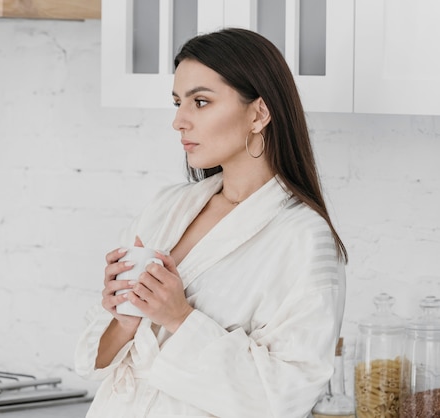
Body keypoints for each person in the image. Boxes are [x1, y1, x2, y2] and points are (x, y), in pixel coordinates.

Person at [75, 27, 347, 418]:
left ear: (259, 113)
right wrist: (124, 321)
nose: (179, 121)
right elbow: (95, 362)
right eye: (177, 103)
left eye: (200, 102)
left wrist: (178, 319)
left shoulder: (303, 239)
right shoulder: (166, 207)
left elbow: (284, 399)